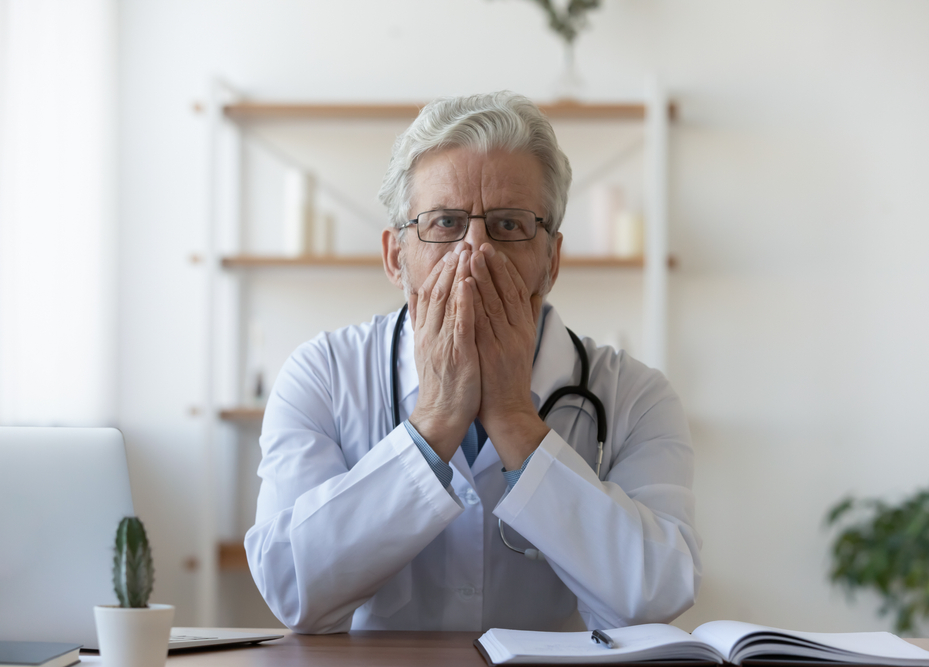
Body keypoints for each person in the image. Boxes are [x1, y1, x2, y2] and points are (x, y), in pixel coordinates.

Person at [245, 91, 701, 633]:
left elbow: (657, 597)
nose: (475, 250)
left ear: (551, 260)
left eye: (509, 225)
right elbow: (291, 590)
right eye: (444, 222)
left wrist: (513, 416)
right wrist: (435, 419)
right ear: (396, 257)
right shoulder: (323, 376)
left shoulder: (636, 396)